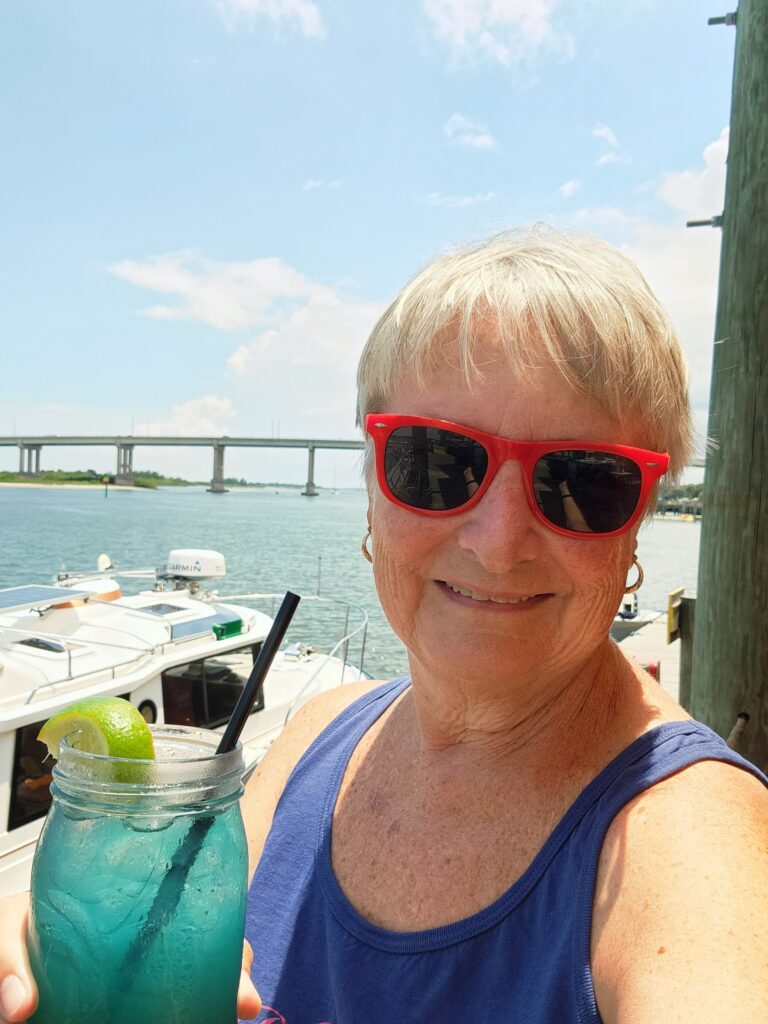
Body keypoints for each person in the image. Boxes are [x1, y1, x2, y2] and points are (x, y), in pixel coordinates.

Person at [2, 227, 767, 1023]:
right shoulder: (317, 737)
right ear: (372, 486)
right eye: (438, 463)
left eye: (582, 481)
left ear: (639, 519)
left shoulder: (693, 848)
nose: (498, 544)